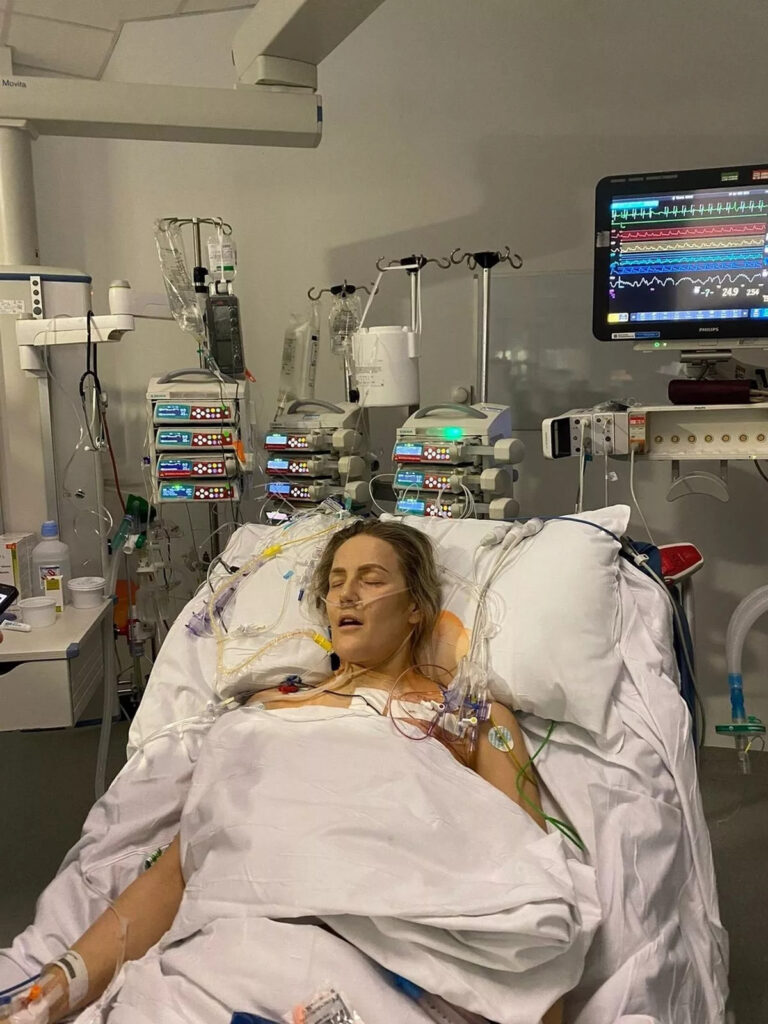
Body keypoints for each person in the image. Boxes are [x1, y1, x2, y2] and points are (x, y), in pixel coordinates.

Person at [4, 519, 563, 1024]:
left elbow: (528, 883)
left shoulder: (469, 717)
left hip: (382, 956)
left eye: (371, 579)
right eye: (337, 581)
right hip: (229, 948)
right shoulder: (261, 710)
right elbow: (181, 869)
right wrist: (58, 987)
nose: (347, 594)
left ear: (416, 606)